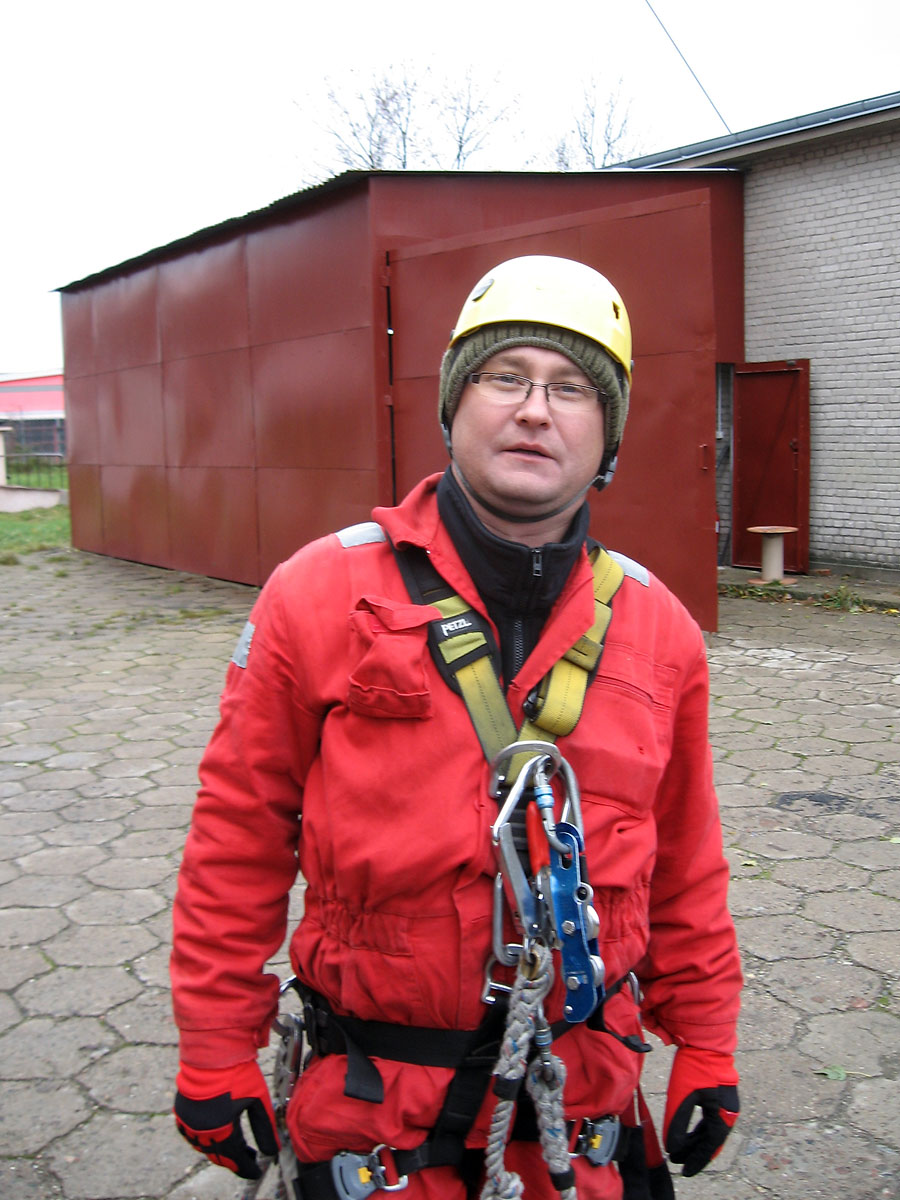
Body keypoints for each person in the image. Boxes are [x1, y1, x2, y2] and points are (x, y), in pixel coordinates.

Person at [170, 254, 742, 1200]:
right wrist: (216, 1048)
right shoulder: (318, 594)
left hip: (580, 1114)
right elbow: (238, 837)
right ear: (452, 407)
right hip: (375, 1115)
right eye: (504, 376)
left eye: (571, 388)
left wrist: (709, 1042)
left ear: (608, 436)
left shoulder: (659, 630)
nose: (535, 410)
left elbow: (686, 857)